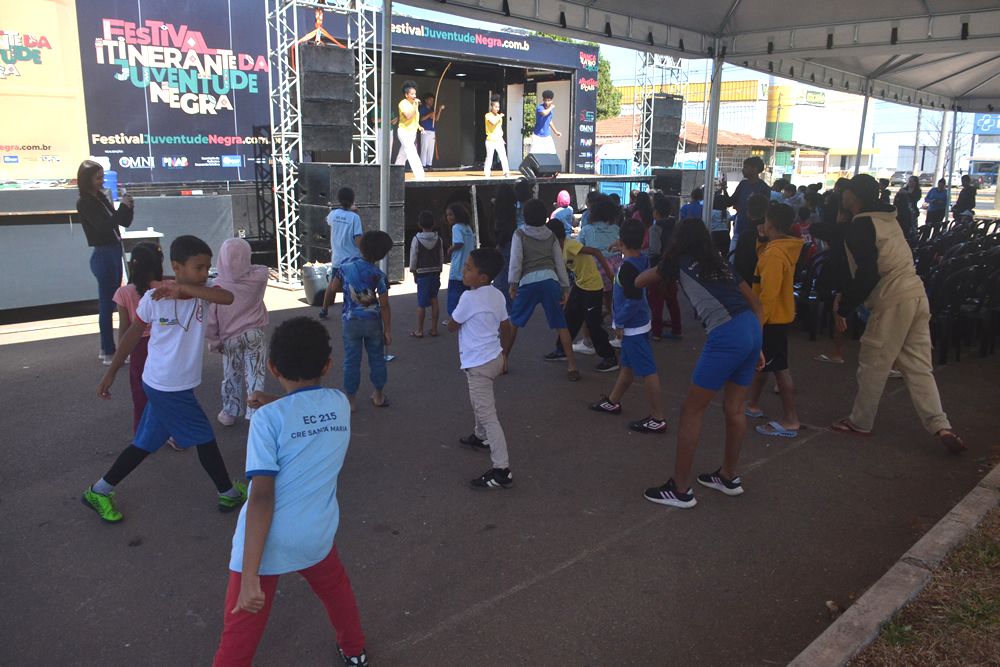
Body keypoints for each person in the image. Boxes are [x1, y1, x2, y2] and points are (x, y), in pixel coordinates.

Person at [212, 317, 368, 667]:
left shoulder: (268, 422)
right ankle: (355, 651)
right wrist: (273, 400)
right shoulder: (340, 402)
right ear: (327, 365)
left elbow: (262, 497)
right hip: (317, 534)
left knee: (239, 636)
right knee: (336, 592)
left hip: (265, 544)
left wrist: (250, 574)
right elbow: (307, 409)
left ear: (271, 366)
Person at [85, 236, 245, 524]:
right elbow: (133, 333)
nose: (204, 273)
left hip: (172, 384)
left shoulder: (205, 290)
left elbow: (229, 297)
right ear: (176, 266)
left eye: (207, 267)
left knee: (144, 443)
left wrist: (184, 287)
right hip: (165, 385)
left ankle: (100, 490)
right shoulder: (153, 298)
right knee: (205, 438)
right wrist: (111, 372)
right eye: (198, 267)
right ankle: (228, 492)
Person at [830, 174, 965, 454]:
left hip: (892, 299)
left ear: (853, 196)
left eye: (846, 192)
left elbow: (867, 272)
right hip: (916, 293)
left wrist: (845, 306)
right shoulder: (886, 218)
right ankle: (940, 425)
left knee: (873, 364)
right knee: (918, 367)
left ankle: (860, 422)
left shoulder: (861, 225)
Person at [639, 219, 764, 508]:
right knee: (734, 409)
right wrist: (758, 344)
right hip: (750, 330)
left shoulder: (677, 263)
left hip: (726, 335)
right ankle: (728, 476)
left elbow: (639, 281)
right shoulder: (721, 264)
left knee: (691, 411)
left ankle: (680, 489)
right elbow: (757, 304)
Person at [588, 219, 667, 434]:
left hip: (632, 327)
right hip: (640, 323)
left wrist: (619, 322)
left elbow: (631, 300)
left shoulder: (625, 270)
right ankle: (613, 401)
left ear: (622, 241)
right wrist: (620, 244)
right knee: (628, 367)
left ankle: (658, 417)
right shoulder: (642, 261)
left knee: (648, 371)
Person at [448, 249, 515, 490]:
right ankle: (480, 435)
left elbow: (453, 325)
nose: (463, 271)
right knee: (480, 402)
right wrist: (505, 354)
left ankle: (502, 470)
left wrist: (451, 321)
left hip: (478, 365)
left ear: (483, 277)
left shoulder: (468, 298)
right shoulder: (497, 295)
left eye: (468, 268)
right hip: (495, 359)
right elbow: (506, 326)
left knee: (489, 415)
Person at [745, 203, 803, 439]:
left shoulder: (774, 255)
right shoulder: (779, 249)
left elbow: (768, 295)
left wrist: (758, 322)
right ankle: (752, 404)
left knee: (779, 369)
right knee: (765, 364)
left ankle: (791, 419)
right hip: (775, 318)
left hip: (771, 320)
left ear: (770, 223)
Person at [507, 198, 579, 381]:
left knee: (514, 322)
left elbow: (516, 261)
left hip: (528, 281)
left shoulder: (519, 234)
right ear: (545, 217)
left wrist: (513, 284)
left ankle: (503, 360)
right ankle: (572, 365)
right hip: (550, 280)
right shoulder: (551, 236)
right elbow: (558, 263)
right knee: (561, 325)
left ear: (525, 216)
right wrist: (565, 287)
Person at [323, 231, 393, 410]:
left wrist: (350, 288)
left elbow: (333, 287)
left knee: (351, 360)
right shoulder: (378, 274)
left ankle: (351, 400)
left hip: (350, 321)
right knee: (377, 358)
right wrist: (387, 330)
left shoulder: (346, 265)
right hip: (373, 322)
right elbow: (384, 305)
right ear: (382, 254)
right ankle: (378, 395)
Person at [76, 159, 135, 364]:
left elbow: (122, 222)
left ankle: (111, 349)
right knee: (108, 304)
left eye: (102, 176)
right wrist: (121, 210)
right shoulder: (84, 202)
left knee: (113, 302)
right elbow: (103, 226)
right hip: (103, 254)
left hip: (113, 251)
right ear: (87, 179)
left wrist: (128, 207)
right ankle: (109, 350)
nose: (102, 181)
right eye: (98, 177)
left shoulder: (101, 197)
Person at [206, 238, 270, 426]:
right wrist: (244, 263)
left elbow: (211, 320)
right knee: (256, 374)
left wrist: (214, 342)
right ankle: (255, 412)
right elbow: (260, 266)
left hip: (229, 338)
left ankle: (229, 412)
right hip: (255, 334)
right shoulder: (259, 278)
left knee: (231, 374)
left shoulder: (217, 286)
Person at [542, 220, 618, 372]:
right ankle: (562, 349)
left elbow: (596, 252)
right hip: (580, 286)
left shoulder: (571, 246)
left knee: (593, 323)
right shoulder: (559, 248)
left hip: (593, 287)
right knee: (569, 317)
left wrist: (611, 277)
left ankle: (610, 357)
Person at [112, 242, 163, 433]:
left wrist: (121, 351)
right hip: (162, 343)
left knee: (140, 390)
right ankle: (173, 431)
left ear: (133, 264)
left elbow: (124, 326)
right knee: (165, 389)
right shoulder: (166, 287)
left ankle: (143, 431)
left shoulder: (123, 293)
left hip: (138, 347)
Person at [320, 187, 363, 319]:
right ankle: (352, 310)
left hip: (337, 258)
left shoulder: (333, 214)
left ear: (339, 199)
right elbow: (358, 239)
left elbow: (328, 221)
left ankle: (324, 309)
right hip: (352, 259)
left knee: (332, 285)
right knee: (353, 286)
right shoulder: (355, 218)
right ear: (353, 200)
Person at [648, 194, 682, 341]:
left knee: (657, 300)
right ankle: (677, 329)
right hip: (672, 266)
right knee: (672, 300)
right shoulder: (676, 225)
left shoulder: (655, 229)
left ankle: (656, 332)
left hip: (658, 266)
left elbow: (654, 250)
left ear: (656, 212)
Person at [409, 210, 444, 338]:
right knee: (434, 299)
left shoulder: (416, 239)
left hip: (422, 274)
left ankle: (419, 330)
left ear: (419, 224)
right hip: (435, 272)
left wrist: (413, 272)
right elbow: (441, 256)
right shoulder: (438, 239)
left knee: (421, 303)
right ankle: (434, 329)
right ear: (433, 224)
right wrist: (440, 269)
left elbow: (413, 257)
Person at [730, 156, 771, 251]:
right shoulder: (743, 184)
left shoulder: (764, 188)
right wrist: (724, 190)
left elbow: (764, 210)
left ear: (755, 168)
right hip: (739, 227)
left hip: (755, 231)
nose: (742, 170)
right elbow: (732, 201)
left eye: (746, 167)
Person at [732, 193, 770, 289]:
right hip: (767, 280)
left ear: (748, 212)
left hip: (748, 284)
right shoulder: (772, 233)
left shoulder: (746, 235)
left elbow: (740, 266)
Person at [445, 202, 476, 320]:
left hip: (457, 268)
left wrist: (450, 249)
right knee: (465, 294)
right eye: (447, 215)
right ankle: (465, 315)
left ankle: (454, 318)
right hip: (467, 267)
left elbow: (459, 243)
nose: (449, 217)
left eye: (451, 215)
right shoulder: (467, 228)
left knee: (454, 294)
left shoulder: (456, 227)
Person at [491, 184, 518, 312]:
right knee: (509, 273)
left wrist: (498, 244)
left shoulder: (499, 209)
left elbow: (501, 229)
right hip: (513, 242)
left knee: (501, 277)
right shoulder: (513, 208)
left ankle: (502, 308)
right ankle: (509, 307)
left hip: (504, 243)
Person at [394, 81, 425, 180]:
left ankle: (395, 174)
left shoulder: (413, 104)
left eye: (415, 93)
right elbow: (408, 116)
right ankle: (420, 176)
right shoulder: (403, 103)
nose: (414, 95)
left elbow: (414, 120)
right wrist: (415, 106)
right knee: (412, 152)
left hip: (412, 133)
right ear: (406, 94)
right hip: (404, 132)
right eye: (412, 94)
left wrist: (419, 127)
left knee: (402, 155)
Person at [483, 94, 511, 178]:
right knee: (489, 157)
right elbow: (493, 122)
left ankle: (506, 172)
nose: (497, 109)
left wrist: (502, 138)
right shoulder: (487, 115)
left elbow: (499, 128)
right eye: (495, 107)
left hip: (498, 139)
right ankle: (487, 172)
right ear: (492, 106)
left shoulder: (499, 116)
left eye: (498, 107)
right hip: (490, 140)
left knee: (503, 156)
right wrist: (500, 116)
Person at [530, 89, 562, 156]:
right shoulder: (540, 107)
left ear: (552, 101)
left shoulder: (550, 110)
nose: (547, 102)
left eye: (549, 100)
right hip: (537, 135)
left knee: (552, 154)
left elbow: (549, 121)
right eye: (545, 100)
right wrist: (551, 107)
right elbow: (544, 113)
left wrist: (556, 132)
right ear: (543, 100)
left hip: (547, 136)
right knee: (534, 155)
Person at [418, 93, 444, 169]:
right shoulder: (423, 108)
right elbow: (421, 119)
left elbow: (436, 119)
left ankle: (429, 164)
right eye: (430, 100)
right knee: (424, 148)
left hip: (432, 131)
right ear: (426, 100)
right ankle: (423, 165)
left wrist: (439, 110)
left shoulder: (432, 109)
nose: (432, 101)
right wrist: (430, 114)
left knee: (431, 148)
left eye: (433, 100)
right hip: (425, 130)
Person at [710, 186, 732, 258]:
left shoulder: (712, 212)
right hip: (725, 234)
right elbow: (729, 226)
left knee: (713, 255)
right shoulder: (726, 213)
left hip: (714, 234)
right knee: (726, 255)